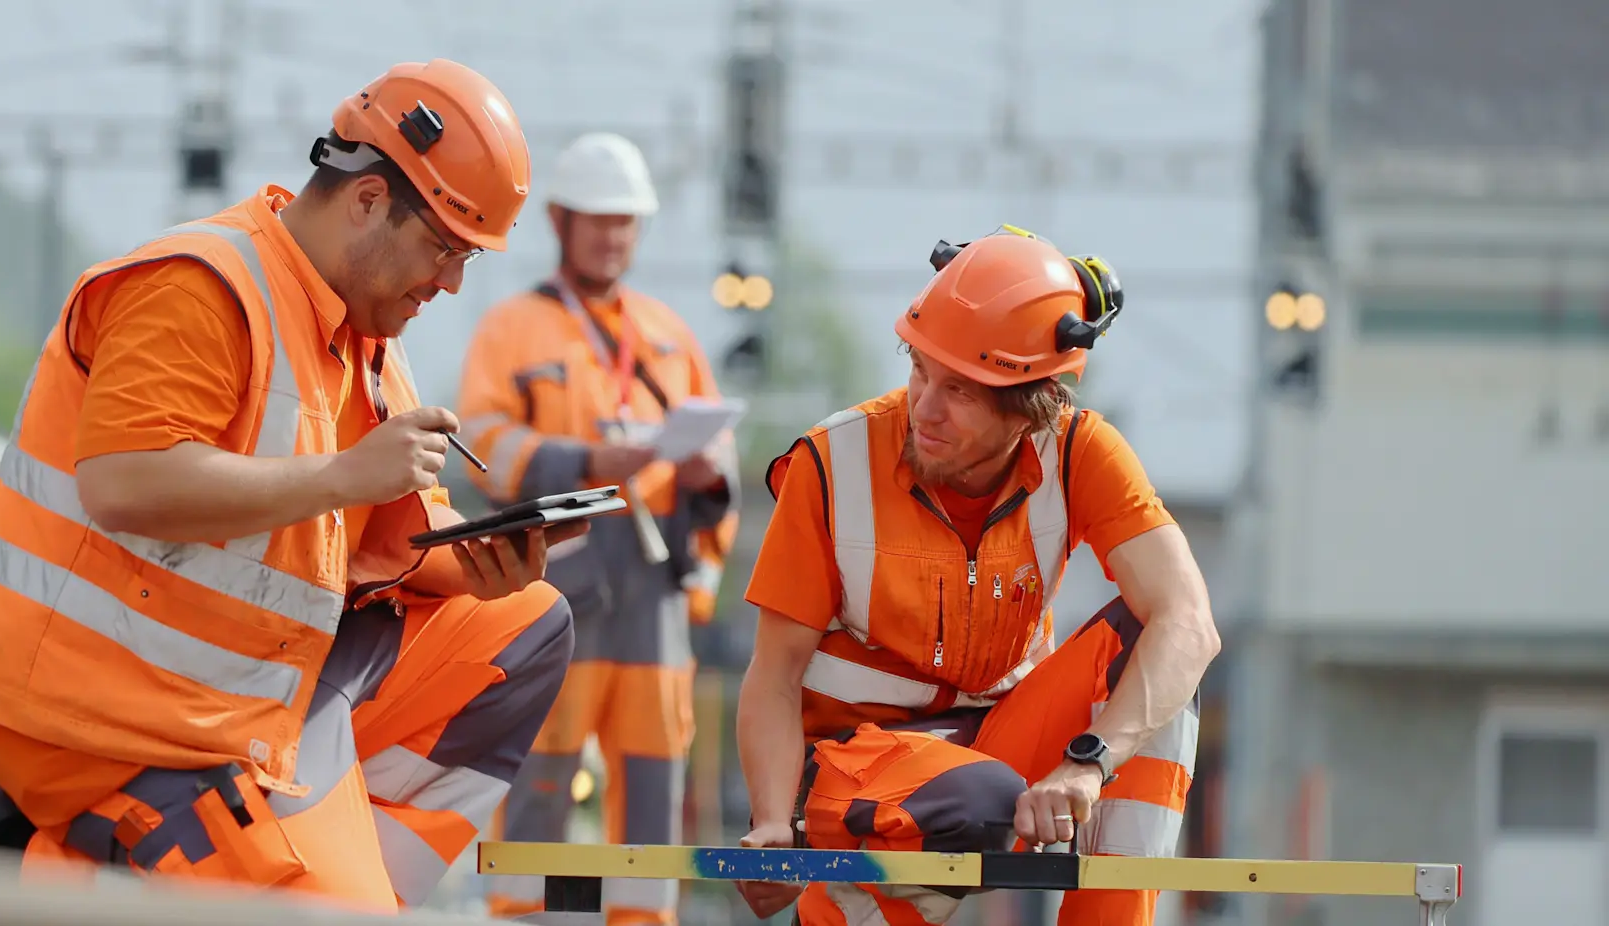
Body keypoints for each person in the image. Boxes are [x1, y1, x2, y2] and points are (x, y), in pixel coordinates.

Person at [0, 59, 586, 914]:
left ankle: (334, 874)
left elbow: (370, 538)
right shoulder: (200, 284)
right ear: (368, 201)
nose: (453, 281)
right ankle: (37, 856)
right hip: (109, 719)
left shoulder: (364, 335)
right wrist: (346, 475)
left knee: (524, 627)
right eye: (446, 249)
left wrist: (473, 565)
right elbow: (122, 483)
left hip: (241, 703)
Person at [732, 226, 1221, 926]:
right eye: (920, 370)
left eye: (960, 390)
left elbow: (1190, 624)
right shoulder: (831, 464)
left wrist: (1088, 764)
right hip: (860, 766)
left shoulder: (1081, 451)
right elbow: (773, 675)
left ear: (1031, 404)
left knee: (1159, 650)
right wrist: (773, 824)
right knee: (978, 802)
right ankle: (837, 905)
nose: (924, 409)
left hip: (995, 759)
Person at [458, 131, 739, 926]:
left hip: (653, 600)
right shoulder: (512, 328)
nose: (613, 236)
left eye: (625, 221)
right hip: (555, 592)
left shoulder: (669, 335)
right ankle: (527, 917)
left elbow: (721, 461)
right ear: (559, 220)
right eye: (599, 219)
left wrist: (708, 479)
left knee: (654, 783)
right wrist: (587, 461)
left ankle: (642, 921)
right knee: (541, 774)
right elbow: (481, 445)